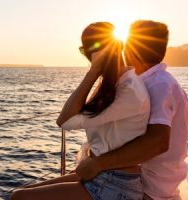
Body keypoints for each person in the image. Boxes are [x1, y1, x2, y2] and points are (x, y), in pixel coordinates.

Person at [11, 22, 150, 200]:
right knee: (25, 191)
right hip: (103, 175)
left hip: (116, 186)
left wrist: (93, 71)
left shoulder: (127, 90)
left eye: (85, 51)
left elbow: (64, 120)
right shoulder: (117, 84)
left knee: (20, 197)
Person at [76, 20, 188, 200]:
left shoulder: (159, 84)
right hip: (131, 178)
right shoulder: (150, 82)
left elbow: (158, 141)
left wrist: (98, 164)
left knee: (24, 197)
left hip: (147, 188)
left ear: (132, 47)